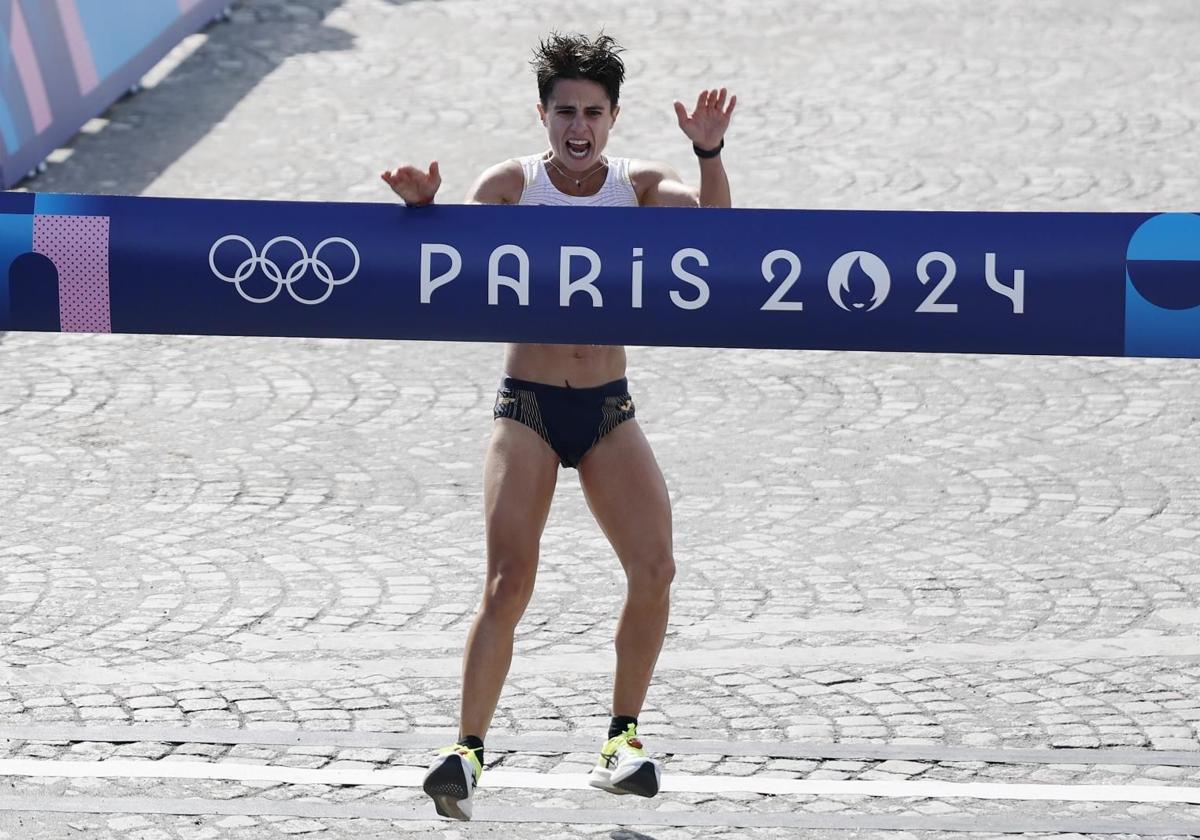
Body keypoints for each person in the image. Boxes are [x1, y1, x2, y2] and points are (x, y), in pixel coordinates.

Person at [381, 32, 736, 821]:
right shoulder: (512, 185)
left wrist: (708, 153)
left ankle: (622, 741)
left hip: (608, 408)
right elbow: (452, 261)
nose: (579, 127)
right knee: (508, 582)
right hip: (530, 408)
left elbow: (717, 239)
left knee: (657, 570)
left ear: (613, 118)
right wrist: (422, 213)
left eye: (594, 113)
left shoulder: (639, 185)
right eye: (565, 112)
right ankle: (466, 753)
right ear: (543, 115)